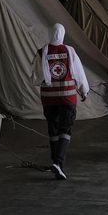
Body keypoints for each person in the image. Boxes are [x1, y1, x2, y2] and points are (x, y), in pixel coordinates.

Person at [35, 23, 88, 180]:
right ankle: (58, 163)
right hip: (67, 98)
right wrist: (84, 90)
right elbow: (79, 73)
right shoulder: (69, 51)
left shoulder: (41, 52)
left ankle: (55, 162)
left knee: (53, 129)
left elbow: (36, 77)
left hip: (49, 99)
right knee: (65, 129)